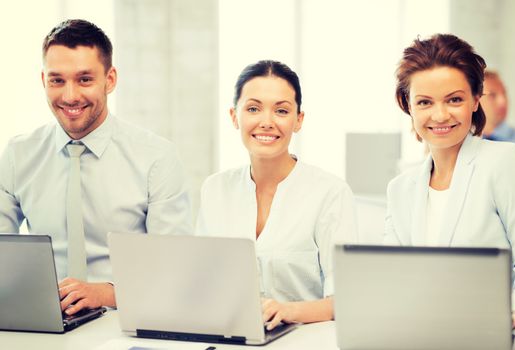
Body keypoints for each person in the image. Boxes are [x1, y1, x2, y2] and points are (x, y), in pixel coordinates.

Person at [0, 19, 193, 315]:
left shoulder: (156, 158)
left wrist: (107, 293)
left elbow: (175, 271)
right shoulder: (18, 154)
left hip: (128, 321)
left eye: (84, 79)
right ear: (43, 80)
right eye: (57, 80)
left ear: (110, 79)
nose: (70, 96)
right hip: (44, 325)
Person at [196, 60, 357, 330]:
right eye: (253, 109)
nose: (267, 122)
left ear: (298, 120)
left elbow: (346, 300)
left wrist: (287, 310)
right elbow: (202, 281)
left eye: (281, 110)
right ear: (235, 117)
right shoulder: (215, 189)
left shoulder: (330, 193)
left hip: (305, 340)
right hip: (229, 335)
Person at [385, 33, 515, 329]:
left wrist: (513, 314)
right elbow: (393, 276)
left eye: (454, 99)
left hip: (492, 333)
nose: (440, 115)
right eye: (424, 102)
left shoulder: (504, 161)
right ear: (407, 105)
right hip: (421, 333)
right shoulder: (400, 189)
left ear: (476, 99)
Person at [480, 70, 515, 148]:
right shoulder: (463, 144)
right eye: (492, 95)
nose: (503, 101)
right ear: (475, 101)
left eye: (504, 93)